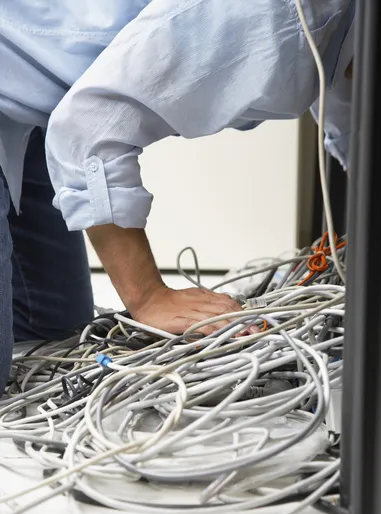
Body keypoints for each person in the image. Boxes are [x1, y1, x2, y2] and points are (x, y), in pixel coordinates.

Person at [0, 0, 355, 394]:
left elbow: (359, 124)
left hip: (28, 100)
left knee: (53, 336)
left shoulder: (357, 36)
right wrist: (149, 296)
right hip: (30, 78)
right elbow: (87, 124)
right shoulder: (282, 14)